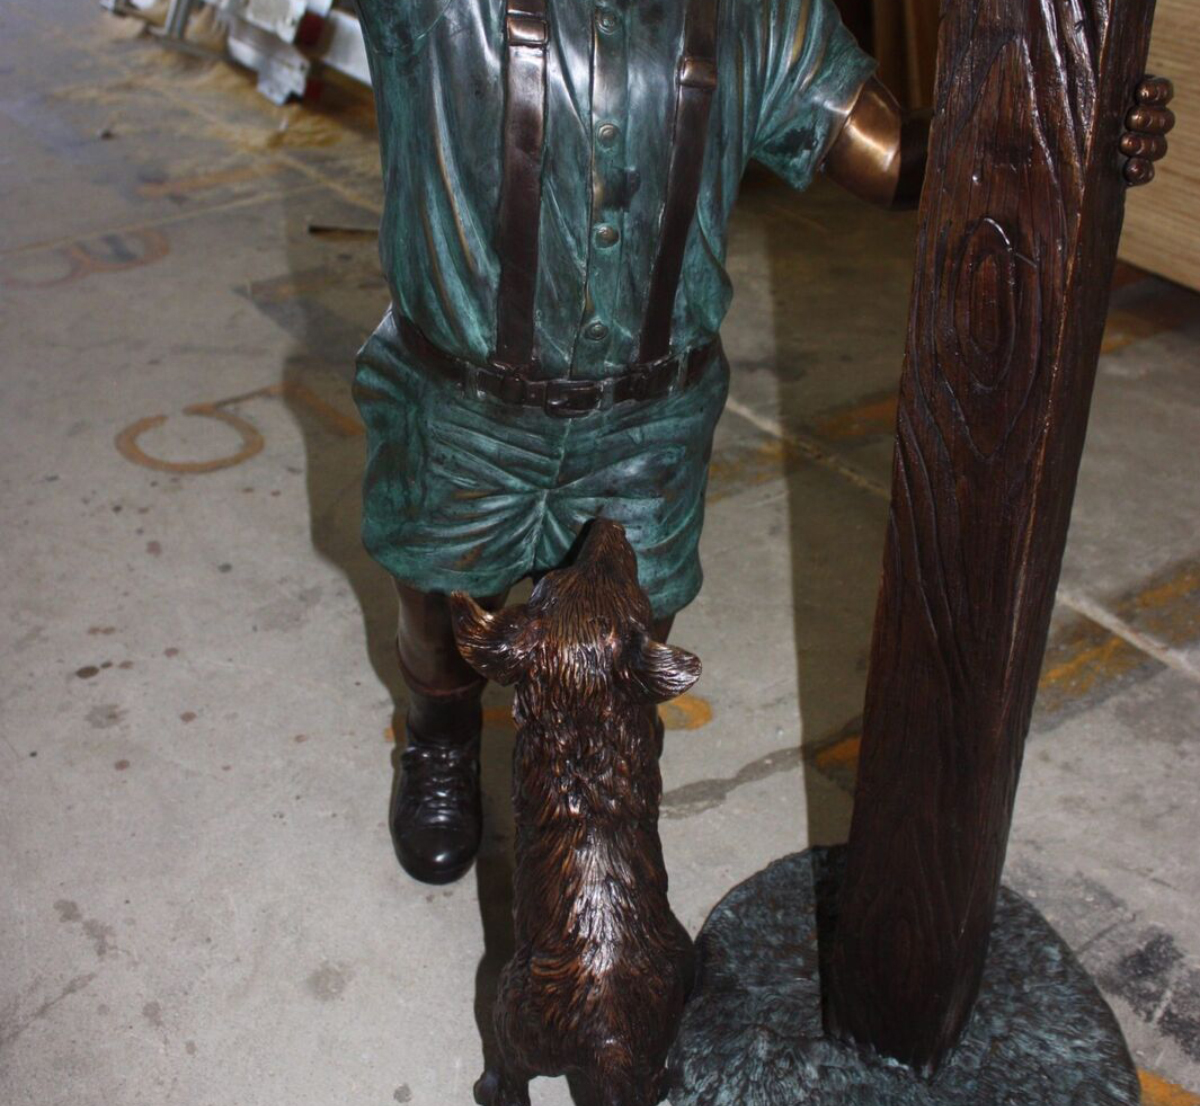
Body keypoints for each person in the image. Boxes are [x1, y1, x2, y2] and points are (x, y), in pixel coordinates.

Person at [350, 0, 1173, 884]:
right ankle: (440, 742)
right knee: (440, 606)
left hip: (647, 422)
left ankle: (599, 787)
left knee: (628, 644)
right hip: (465, 408)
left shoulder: (759, 13)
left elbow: (890, 157)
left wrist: (1055, 130)